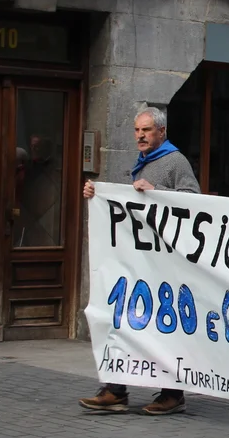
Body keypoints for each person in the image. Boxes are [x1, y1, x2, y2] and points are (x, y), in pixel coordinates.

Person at [79, 106, 201, 416]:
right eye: (136, 130)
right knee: (126, 321)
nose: (140, 135)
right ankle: (116, 389)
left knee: (163, 327)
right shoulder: (142, 162)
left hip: (165, 263)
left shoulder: (175, 161)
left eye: (146, 130)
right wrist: (97, 193)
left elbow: (192, 200)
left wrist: (156, 190)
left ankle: (172, 394)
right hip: (141, 261)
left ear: (161, 131)